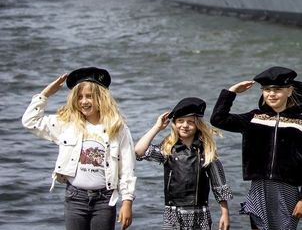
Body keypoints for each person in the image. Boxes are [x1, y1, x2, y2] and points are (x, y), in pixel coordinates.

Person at [21, 67, 136, 230]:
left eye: (89, 96)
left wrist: (127, 201)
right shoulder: (66, 124)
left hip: (105, 200)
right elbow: (30, 121)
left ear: (101, 98)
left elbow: (127, 169)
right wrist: (46, 94)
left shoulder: (117, 128)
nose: (83, 101)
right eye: (79, 97)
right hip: (75, 198)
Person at [211, 66, 302, 230]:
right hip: (258, 188)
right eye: (267, 90)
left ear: (289, 91)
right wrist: (231, 92)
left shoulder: (301, 122)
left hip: (287, 190)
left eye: (277, 89)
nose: (271, 94)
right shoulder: (253, 118)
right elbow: (218, 119)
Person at [134, 97, 232, 230]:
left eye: (190, 122)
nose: (185, 125)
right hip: (173, 211)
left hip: (200, 211)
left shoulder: (207, 150)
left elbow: (219, 184)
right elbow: (139, 151)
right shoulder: (167, 149)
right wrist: (157, 128)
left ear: (198, 125)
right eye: (180, 121)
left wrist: (224, 213)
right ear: (174, 123)